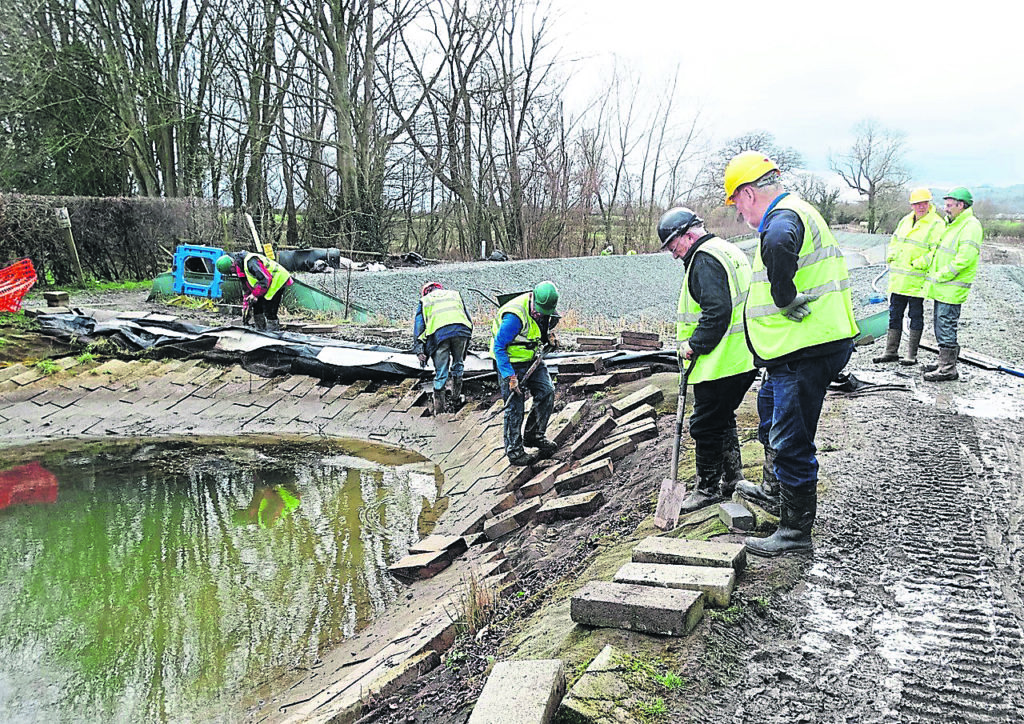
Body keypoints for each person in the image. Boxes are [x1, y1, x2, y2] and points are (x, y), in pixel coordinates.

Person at [724, 151, 858, 556]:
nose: (739, 215)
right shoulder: (795, 210)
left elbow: (780, 245)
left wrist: (784, 295)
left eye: (736, 205)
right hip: (793, 350)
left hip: (807, 350)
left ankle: (795, 532)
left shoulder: (782, 220)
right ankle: (773, 489)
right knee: (770, 412)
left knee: (792, 440)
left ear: (748, 194)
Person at [658, 207, 757, 513]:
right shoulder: (727, 250)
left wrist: (694, 345)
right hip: (744, 357)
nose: (675, 255)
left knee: (703, 424)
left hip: (722, 361)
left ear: (688, 235)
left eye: (675, 248)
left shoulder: (704, 260)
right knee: (721, 416)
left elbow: (717, 312)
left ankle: (708, 488)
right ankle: (732, 478)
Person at [873, 188, 945, 365]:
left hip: (916, 279)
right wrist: (891, 255)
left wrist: (921, 262)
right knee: (894, 314)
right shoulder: (905, 220)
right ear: (912, 205)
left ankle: (911, 355)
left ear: (929, 203)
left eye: (924, 203)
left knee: (915, 315)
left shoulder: (936, 223)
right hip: (898, 279)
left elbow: (937, 250)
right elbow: (895, 241)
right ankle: (890, 351)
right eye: (917, 204)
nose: (920, 207)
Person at [490, 282, 560, 466]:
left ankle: (534, 436)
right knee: (515, 407)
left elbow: (540, 329)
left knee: (547, 391)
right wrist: (510, 376)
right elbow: (499, 347)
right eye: (539, 311)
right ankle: (515, 452)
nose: (540, 314)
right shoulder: (514, 317)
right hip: (510, 362)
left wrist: (548, 340)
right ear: (532, 299)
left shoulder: (544, 309)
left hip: (532, 359)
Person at [922, 187, 983, 381]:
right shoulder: (955, 224)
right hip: (944, 287)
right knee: (941, 325)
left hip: (951, 286)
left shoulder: (970, 226)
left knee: (946, 325)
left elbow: (965, 258)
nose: (946, 209)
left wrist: (943, 274)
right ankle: (945, 362)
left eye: (949, 205)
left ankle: (947, 368)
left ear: (961, 205)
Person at [413, 281, 473, 415]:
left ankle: (439, 411)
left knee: (441, 372)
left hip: (439, 335)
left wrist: (419, 350)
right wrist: (466, 343)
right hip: (461, 330)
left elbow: (419, 328)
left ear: (426, 292)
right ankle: (455, 400)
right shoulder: (454, 294)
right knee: (458, 364)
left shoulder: (425, 300)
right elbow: (468, 319)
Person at [216, 251, 293, 331]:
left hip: (277, 279)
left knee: (269, 310)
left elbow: (265, 279)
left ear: (232, 264)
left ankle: (273, 333)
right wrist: (246, 306)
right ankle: (260, 331)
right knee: (256, 306)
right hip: (265, 283)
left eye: (232, 271)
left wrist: (255, 294)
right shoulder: (240, 268)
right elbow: (246, 289)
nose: (233, 273)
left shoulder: (251, 262)